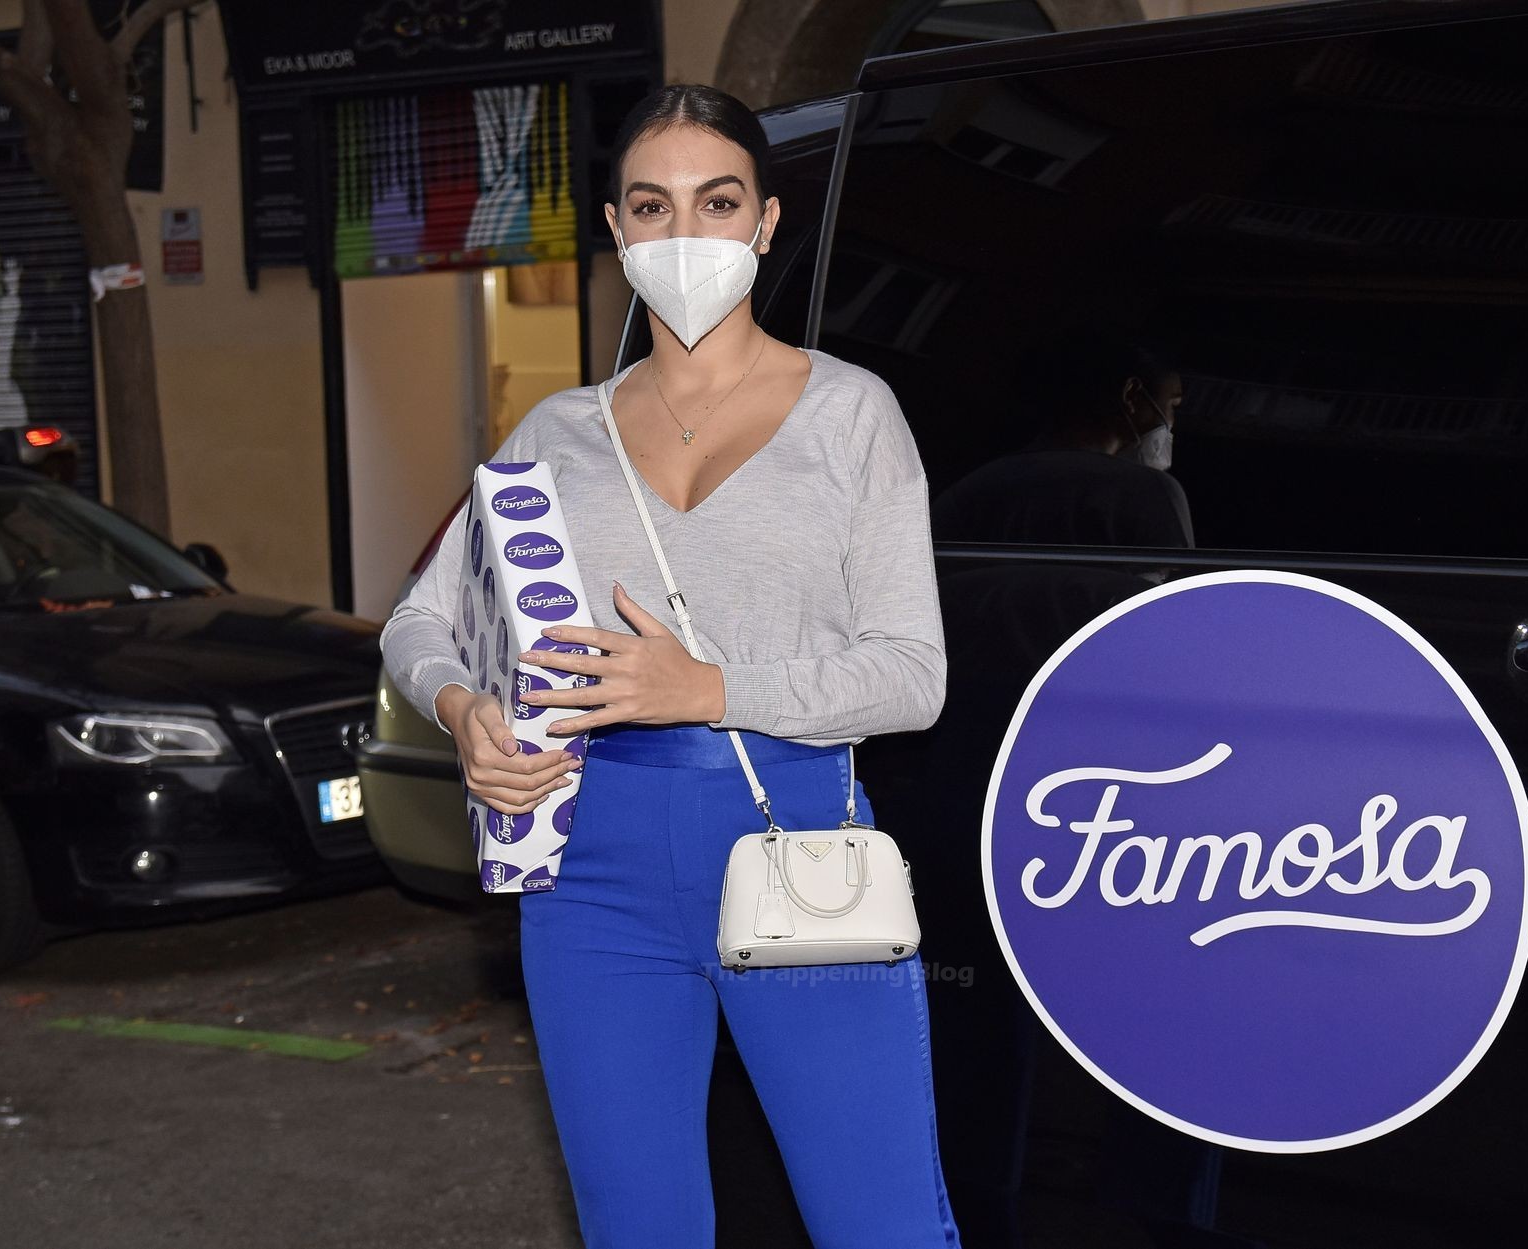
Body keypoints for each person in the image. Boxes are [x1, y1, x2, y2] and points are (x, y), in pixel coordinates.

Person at [380, 84, 961, 1249]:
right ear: (616, 230)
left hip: (800, 844)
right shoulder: (558, 433)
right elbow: (417, 618)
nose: (685, 232)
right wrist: (465, 710)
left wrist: (709, 688)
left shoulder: (852, 415)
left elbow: (913, 674)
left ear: (767, 222)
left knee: (882, 1222)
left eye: (718, 201)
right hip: (590, 868)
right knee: (635, 1223)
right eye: (653, 205)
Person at [930, 332, 1193, 549]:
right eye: (1173, 404)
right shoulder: (1149, 492)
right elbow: (1176, 593)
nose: (1171, 421)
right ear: (1131, 395)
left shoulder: (970, 490)